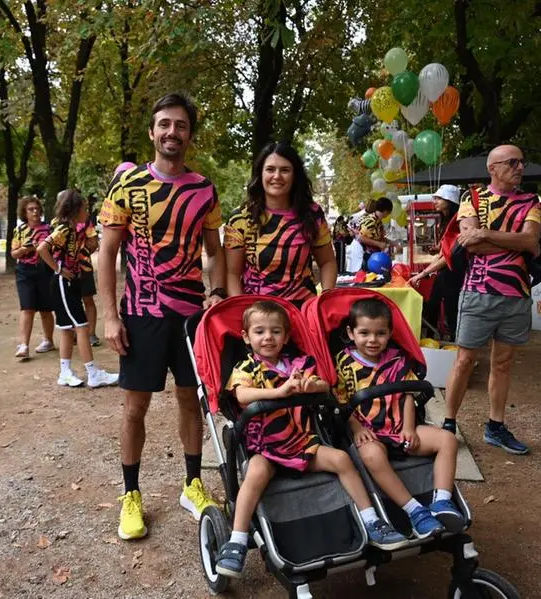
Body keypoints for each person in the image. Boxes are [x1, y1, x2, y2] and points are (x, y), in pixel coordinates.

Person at [98, 92, 226, 541]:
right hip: (141, 314)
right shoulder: (127, 187)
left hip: (191, 317)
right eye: (164, 125)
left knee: (191, 401)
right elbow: (107, 253)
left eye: (181, 126)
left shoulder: (205, 189)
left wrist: (218, 292)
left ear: (190, 134)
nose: (173, 132)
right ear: (153, 132)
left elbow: (214, 252)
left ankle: (192, 485)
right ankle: (130, 495)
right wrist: (110, 317)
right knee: (135, 408)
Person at [215, 301, 408, 578]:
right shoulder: (247, 367)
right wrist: (281, 392)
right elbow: (242, 395)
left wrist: (310, 385)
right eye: (259, 332)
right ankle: (237, 540)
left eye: (275, 331)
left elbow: (324, 385)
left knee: (341, 459)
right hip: (266, 447)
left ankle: (372, 520)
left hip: (303, 441)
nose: (268, 337)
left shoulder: (299, 364)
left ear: (287, 335)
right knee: (254, 472)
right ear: (246, 337)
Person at [442, 145, 541, 455]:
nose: (520, 167)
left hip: (516, 295)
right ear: (493, 168)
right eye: (513, 162)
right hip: (478, 292)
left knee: (503, 362)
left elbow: (531, 240)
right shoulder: (472, 199)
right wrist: (513, 244)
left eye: (522, 162)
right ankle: (448, 424)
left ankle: (495, 427)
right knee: (464, 361)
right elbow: (470, 245)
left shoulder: (531, 201)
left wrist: (485, 234)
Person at [335, 298, 464, 539]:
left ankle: (442, 501)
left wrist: (409, 427)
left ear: (390, 333)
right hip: (368, 430)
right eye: (364, 333)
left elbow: (407, 396)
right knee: (371, 455)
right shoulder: (343, 362)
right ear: (351, 333)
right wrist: (355, 427)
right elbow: (341, 403)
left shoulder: (398, 359)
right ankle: (415, 511)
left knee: (447, 439)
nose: (373, 340)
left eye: (380, 333)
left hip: (398, 426)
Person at [224, 141, 337, 305]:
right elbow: (232, 274)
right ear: (260, 174)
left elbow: (327, 262)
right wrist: (244, 312)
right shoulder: (240, 219)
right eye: (270, 169)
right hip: (258, 314)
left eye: (285, 170)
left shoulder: (312, 214)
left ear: (295, 175)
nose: (277, 176)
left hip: (303, 311)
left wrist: (325, 299)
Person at [36, 189, 119, 388]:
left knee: (66, 329)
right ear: (75, 210)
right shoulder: (64, 229)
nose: (87, 211)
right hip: (64, 283)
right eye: (84, 208)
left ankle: (65, 372)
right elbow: (41, 248)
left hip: (69, 282)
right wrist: (59, 270)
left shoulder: (73, 229)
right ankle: (92, 373)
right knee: (81, 327)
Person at [409, 185, 464, 338]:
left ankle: (459, 350)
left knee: (452, 311)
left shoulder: (459, 221)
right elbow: (445, 249)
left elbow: (448, 256)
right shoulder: (445, 220)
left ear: (450, 200)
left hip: (455, 273)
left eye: (439, 198)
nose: (435, 201)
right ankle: (432, 342)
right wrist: (438, 248)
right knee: (432, 305)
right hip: (444, 272)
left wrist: (423, 273)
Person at [11, 196, 56, 359]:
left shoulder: (49, 229)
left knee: (45, 309)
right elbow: (13, 253)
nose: (35, 212)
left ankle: (48, 340)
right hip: (25, 271)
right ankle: (24, 345)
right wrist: (24, 249)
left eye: (37, 208)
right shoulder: (20, 230)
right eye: (31, 209)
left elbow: (55, 249)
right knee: (27, 308)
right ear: (24, 212)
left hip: (44, 270)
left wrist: (42, 249)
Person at [78, 197, 100, 347]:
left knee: (88, 299)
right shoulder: (56, 223)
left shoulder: (85, 222)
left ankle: (91, 333)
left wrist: (83, 253)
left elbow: (94, 243)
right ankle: (75, 332)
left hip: (84, 267)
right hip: (66, 269)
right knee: (72, 302)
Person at [357, 197, 393, 268]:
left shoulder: (378, 222)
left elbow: (378, 238)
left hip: (374, 256)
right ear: (386, 211)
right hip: (366, 256)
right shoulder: (371, 221)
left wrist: (392, 242)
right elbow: (361, 238)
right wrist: (379, 244)